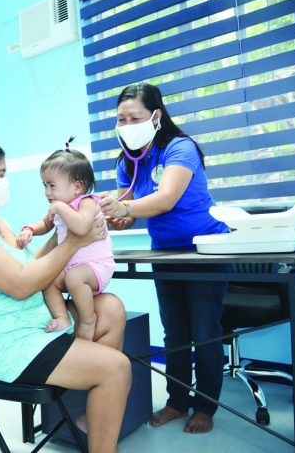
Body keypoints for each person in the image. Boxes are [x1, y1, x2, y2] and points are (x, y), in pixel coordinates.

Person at [0, 136, 130, 453]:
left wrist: (77, 237)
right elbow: (22, 284)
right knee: (116, 367)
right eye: (1, 173)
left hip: (31, 322)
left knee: (112, 308)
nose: (6, 182)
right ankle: (102, 416)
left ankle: (94, 411)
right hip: (3, 343)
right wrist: (75, 242)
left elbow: (32, 263)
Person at [99, 83, 231, 434]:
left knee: (204, 330)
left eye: (135, 117)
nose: (127, 125)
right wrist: (117, 216)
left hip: (205, 251)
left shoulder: (180, 148)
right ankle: (176, 401)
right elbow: (132, 210)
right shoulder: (128, 162)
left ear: (156, 116)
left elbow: (166, 197)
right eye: (121, 119)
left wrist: (124, 207)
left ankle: (205, 407)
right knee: (174, 332)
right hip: (166, 251)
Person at [17, 141, 115, 341]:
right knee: (48, 279)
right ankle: (62, 318)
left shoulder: (86, 202)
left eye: (52, 186)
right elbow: (46, 224)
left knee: (74, 278)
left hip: (96, 267)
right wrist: (30, 230)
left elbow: (82, 227)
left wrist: (61, 208)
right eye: (45, 185)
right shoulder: (59, 205)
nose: (47, 192)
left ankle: (88, 321)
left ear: (78, 187)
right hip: (73, 267)